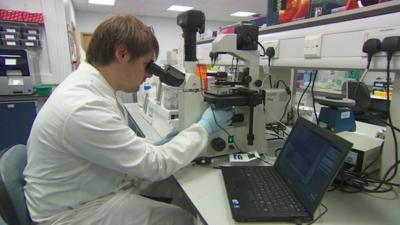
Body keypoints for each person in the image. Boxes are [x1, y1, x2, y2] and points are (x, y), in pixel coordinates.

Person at [23, 15, 233, 225]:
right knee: (181, 219)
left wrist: (154, 145)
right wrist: (204, 128)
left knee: (179, 187)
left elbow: (115, 143)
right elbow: (156, 165)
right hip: (71, 213)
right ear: (122, 53)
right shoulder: (83, 106)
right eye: (147, 64)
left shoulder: (92, 88)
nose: (150, 74)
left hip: (84, 189)